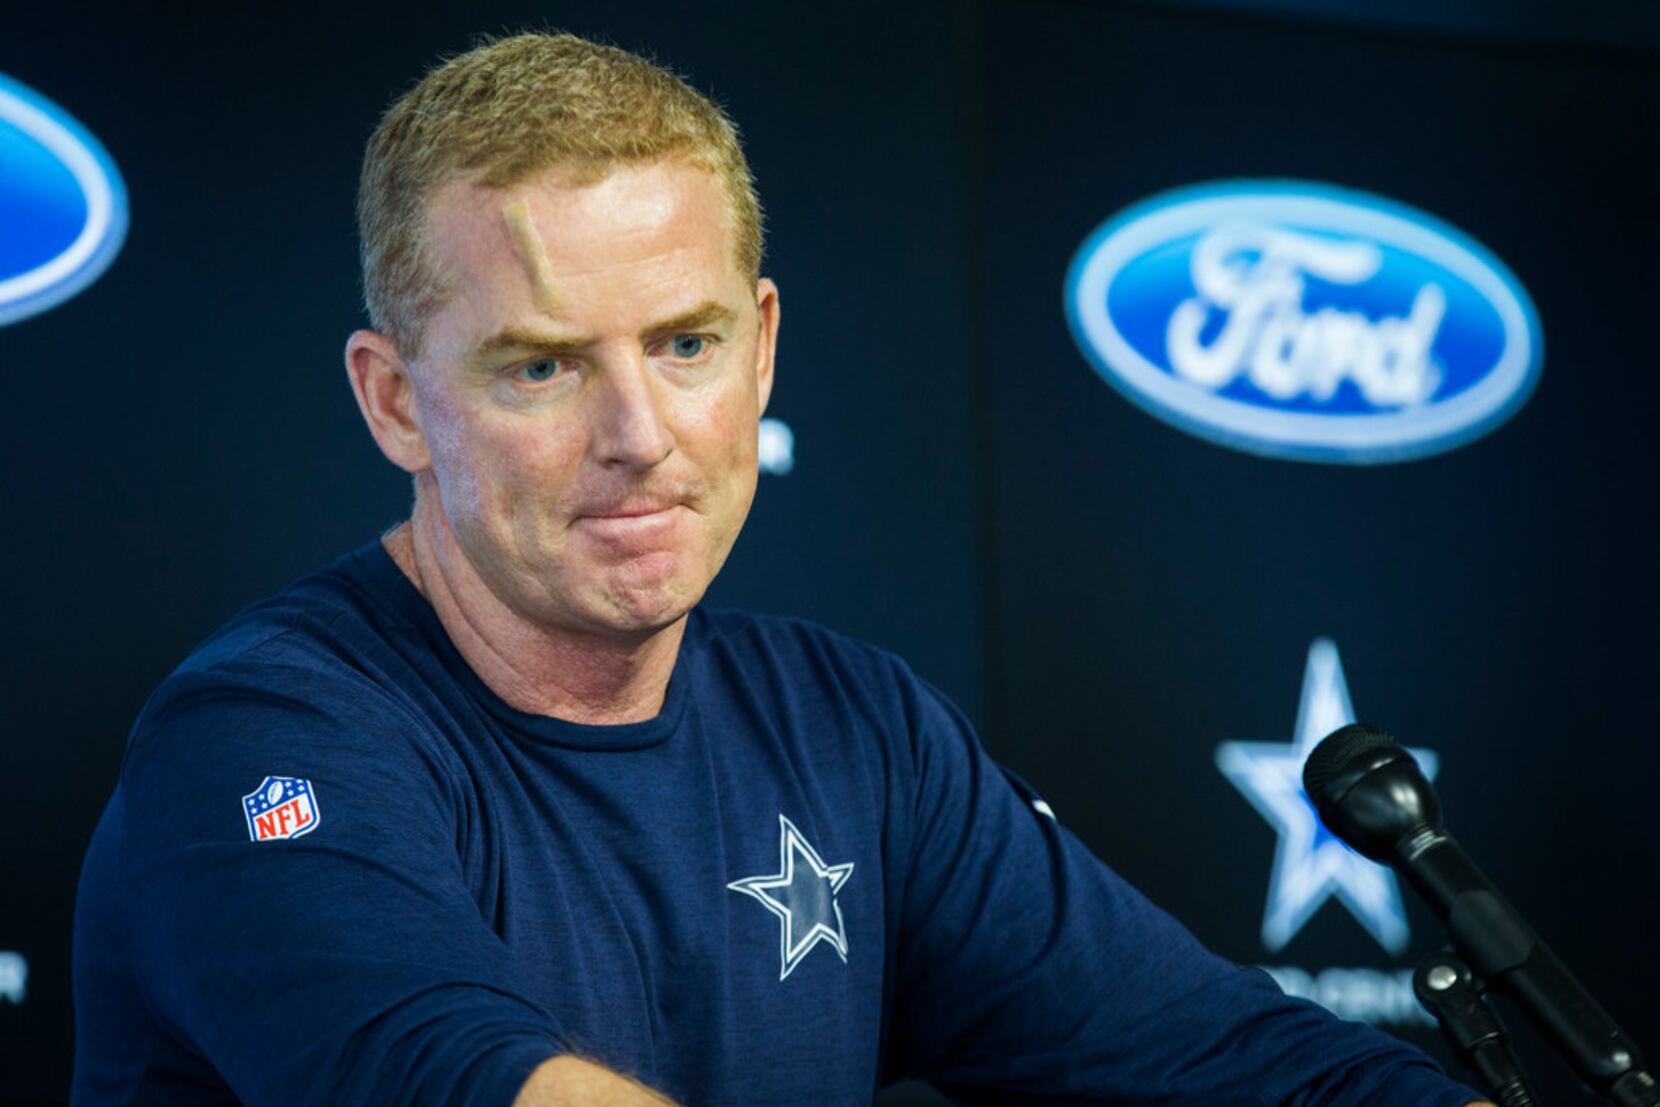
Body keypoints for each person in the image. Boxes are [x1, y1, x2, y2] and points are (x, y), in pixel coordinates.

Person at [71, 32, 1488, 1107]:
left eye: (684, 346)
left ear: (761, 346)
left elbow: (1231, 1061)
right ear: (395, 404)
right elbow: (476, 1083)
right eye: (544, 365)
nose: (637, 436)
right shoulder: (261, 737)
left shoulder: (850, 731)